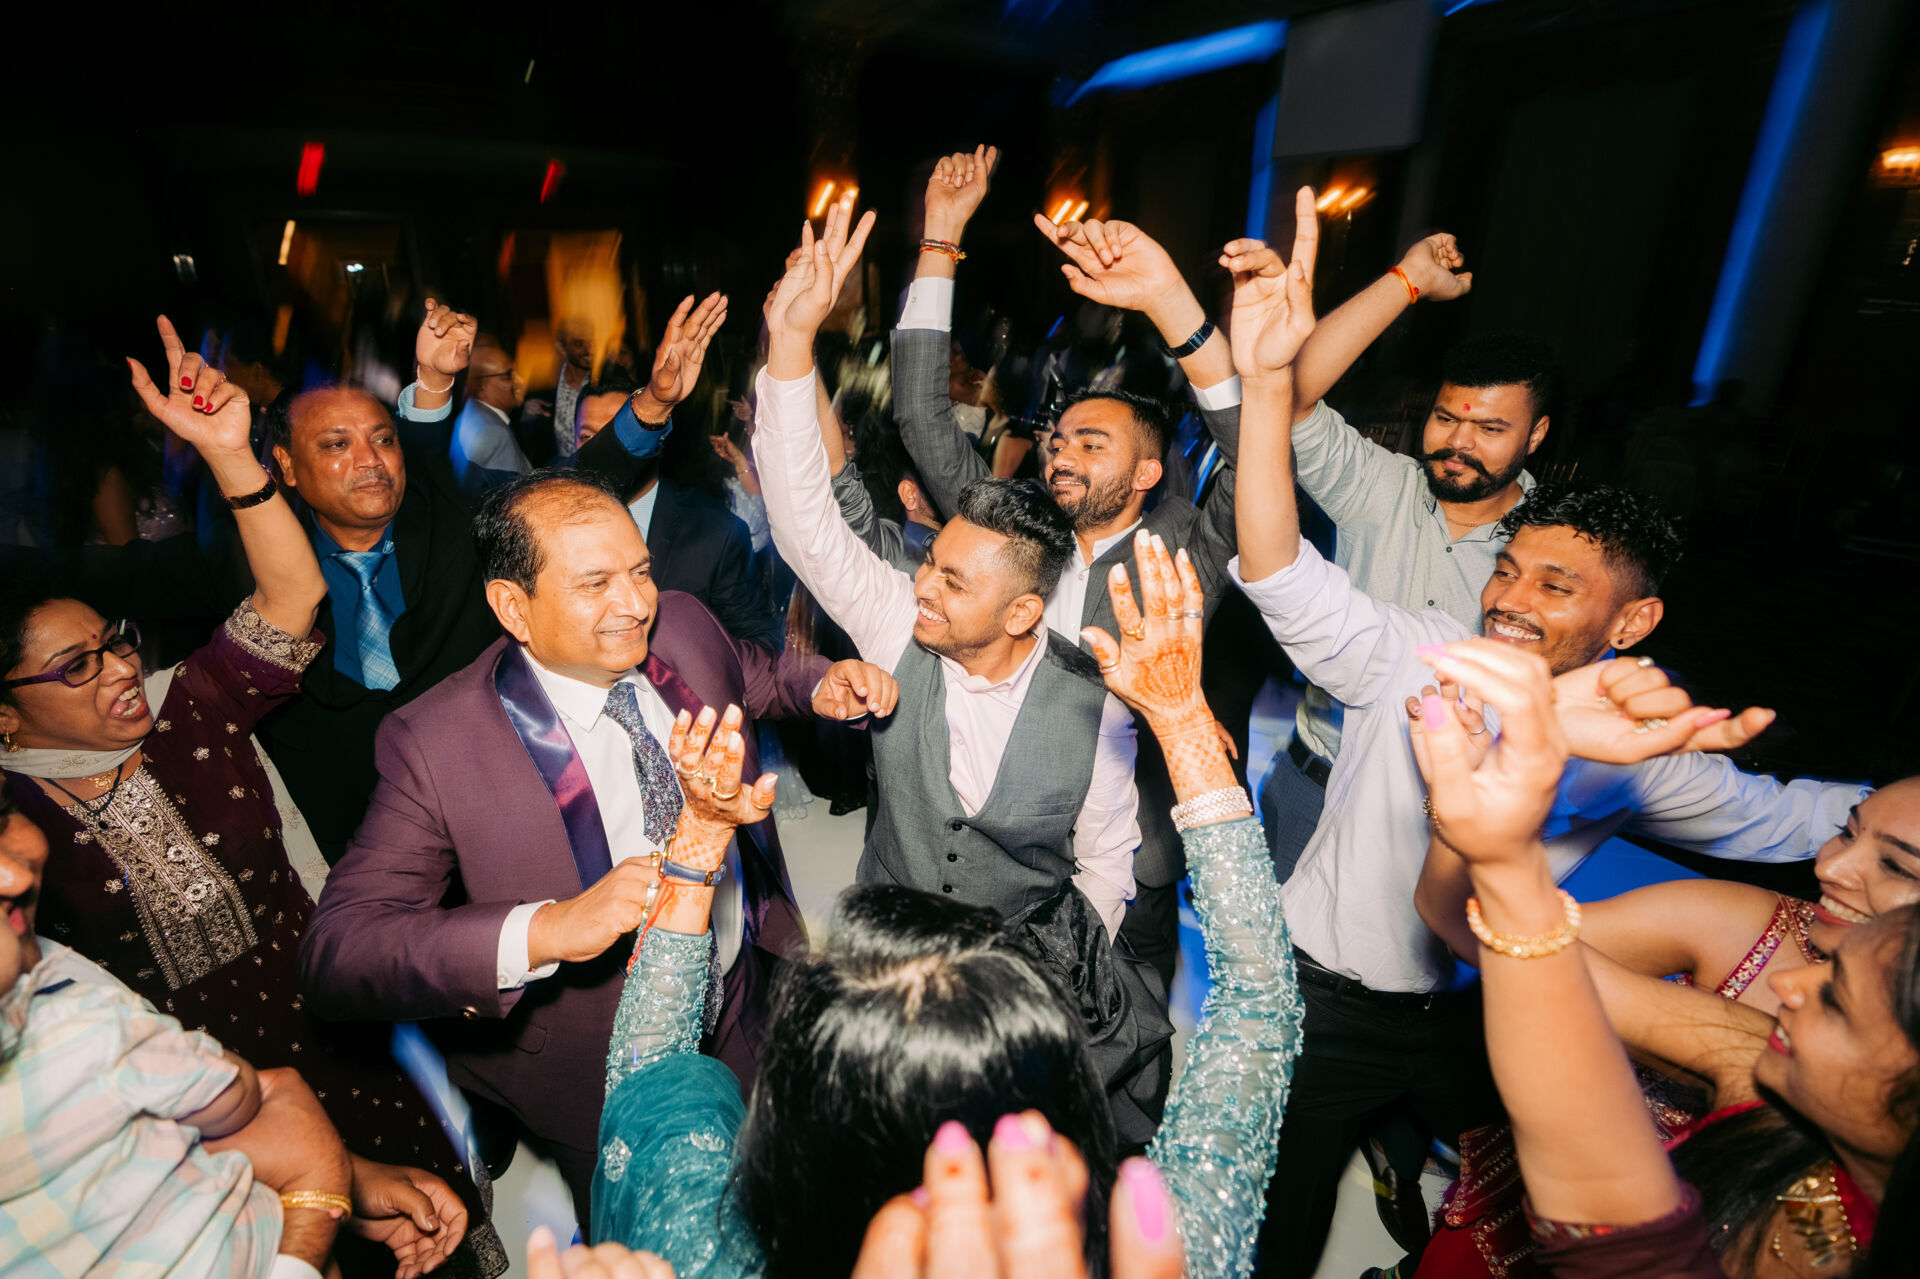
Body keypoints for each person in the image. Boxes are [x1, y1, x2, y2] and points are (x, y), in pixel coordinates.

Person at [1221, 197, 1871, 1276]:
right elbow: (1280, 569)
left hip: (1475, 1011)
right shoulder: (1421, 650)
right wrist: (1260, 386)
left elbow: (1795, 817)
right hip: (1326, 999)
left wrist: (1887, 824)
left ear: (1633, 621)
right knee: (1273, 1225)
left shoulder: (1638, 752)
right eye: (1509, 571)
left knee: (1503, 1222)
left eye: (1554, 586)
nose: (1510, 600)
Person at [588, 531, 1302, 1279]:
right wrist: (1184, 722)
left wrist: (700, 836)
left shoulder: (704, 1252)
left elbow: (648, 1059)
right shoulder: (1161, 1255)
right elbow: (1260, 1001)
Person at [0, 318, 500, 1276]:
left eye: (115, 642)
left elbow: (294, 599)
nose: (117, 668)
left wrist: (230, 455)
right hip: (193, 1128)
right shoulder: (12, 824)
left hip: (339, 1036)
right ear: (7, 716)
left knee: (434, 1237)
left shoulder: (188, 706)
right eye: (75, 666)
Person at [299, 466, 895, 1230]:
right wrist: (549, 927)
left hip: (744, 998)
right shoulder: (437, 743)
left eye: (639, 571)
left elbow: (753, 675)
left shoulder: (681, 623)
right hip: (600, 1070)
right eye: (596, 584)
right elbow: (338, 951)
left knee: (777, 1198)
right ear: (513, 606)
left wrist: (818, 685)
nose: (636, 602)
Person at [3, 297, 714, 861]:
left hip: (492, 807)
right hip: (334, 840)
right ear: (285, 466)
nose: (370, 461)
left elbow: (567, 492)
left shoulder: (454, 518)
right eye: (336, 445)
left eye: (382, 440)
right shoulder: (241, 557)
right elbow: (91, 571)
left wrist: (652, 404)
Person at [752, 195, 1170, 1131]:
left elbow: (1107, 860)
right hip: (880, 955)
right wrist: (791, 342)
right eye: (931, 564)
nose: (925, 588)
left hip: (1008, 984)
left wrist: (1043, 983)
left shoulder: (1095, 699)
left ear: (1023, 611)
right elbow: (804, 521)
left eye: (952, 581)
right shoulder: (900, 620)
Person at [1409, 637, 1920, 1277]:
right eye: (1845, 830)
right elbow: (1536, 965)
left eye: (1839, 1000)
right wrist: (1497, 810)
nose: (1796, 984)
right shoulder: (1756, 1051)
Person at [895, 147, 1255, 1004]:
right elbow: (922, 417)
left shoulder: (1185, 551)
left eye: (1092, 444)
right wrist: (940, 237)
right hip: (1004, 849)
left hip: (1131, 852)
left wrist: (1173, 309)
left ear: (1147, 473)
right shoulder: (1012, 533)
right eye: (1059, 440)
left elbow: (1256, 457)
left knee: (1122, 1035)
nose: (1061, 453)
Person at [1228, 231, 1488, 880]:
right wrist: (1407, 279)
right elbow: (1292, 397)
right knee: (1263, 943)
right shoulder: (1385, 483)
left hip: (1438, 809)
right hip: (1314, 781)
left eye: (1490, 428)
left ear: (1537, 434)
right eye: (1446, 418)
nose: (1458, 442)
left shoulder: (1545, 543)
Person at [577, 364, 784, 654]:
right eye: (588, 438)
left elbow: (759, 645)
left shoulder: (716, 533)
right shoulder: (555, 527)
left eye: (621, 436)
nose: (605, 451)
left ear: (655, 440)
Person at [450, 339, 530, 497]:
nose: (520, 380)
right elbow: (520, 496)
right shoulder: (494, 433)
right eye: (508, 375)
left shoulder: (470, 413)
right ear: (481, 386)